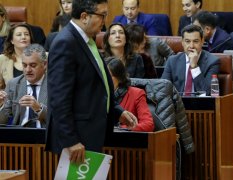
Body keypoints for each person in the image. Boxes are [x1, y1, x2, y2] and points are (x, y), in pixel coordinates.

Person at [46, 0, 137, 164]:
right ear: (84, 16)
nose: (104, 21)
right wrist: (70, 140)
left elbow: (95, 86)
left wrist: (117, 111)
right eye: (102, 15)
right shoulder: (65, 43)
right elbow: (59, 98)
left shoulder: (87, 40)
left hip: (90, 132)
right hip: (76, 138)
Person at [162, 24, 220, 96]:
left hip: (201, 105)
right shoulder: (172, 61)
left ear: (202, 41)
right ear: (182, 42)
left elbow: (206, 94)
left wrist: (194, 67)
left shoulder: (212, 62)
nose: (191, 46)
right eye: (187, 41)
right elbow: (163, 90)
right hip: (177, 104)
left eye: (195, 41)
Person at [0, 44, 48, 128]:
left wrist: (39, 109)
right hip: (20, 136)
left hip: (46, 136)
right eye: (24, 65)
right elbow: (2, 122)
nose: (28, 70)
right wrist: (1, 106)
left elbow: (61, 118)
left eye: (33, 65)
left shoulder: (55, 85)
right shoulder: (13, 84)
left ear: (44, 65)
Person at [107, 57, 154, 132]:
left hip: (126, 140)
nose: (105, 80)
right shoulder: (99, 96)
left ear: (120, 77)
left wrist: (123, 130)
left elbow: (148, 124)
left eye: (109, 76)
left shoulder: (137, 94)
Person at [0, 23, 32, 90]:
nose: (23, 37)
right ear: (12, 40)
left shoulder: (43, 57)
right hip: (11, 99)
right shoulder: (2, 59)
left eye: (26, 34)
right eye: (19, 35)